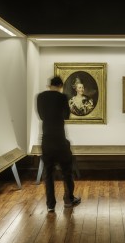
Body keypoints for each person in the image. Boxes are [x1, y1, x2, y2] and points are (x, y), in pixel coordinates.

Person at [36, 76, 81, 213]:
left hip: (47, 140)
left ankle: (50, 205)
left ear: (49, 85)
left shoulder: (40, 97)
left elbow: (42, 116)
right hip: (60, 140)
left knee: (48, 174)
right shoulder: (62, 97)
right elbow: (67, 116)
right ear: (61, 85)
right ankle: (69, 200)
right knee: (67, 171)